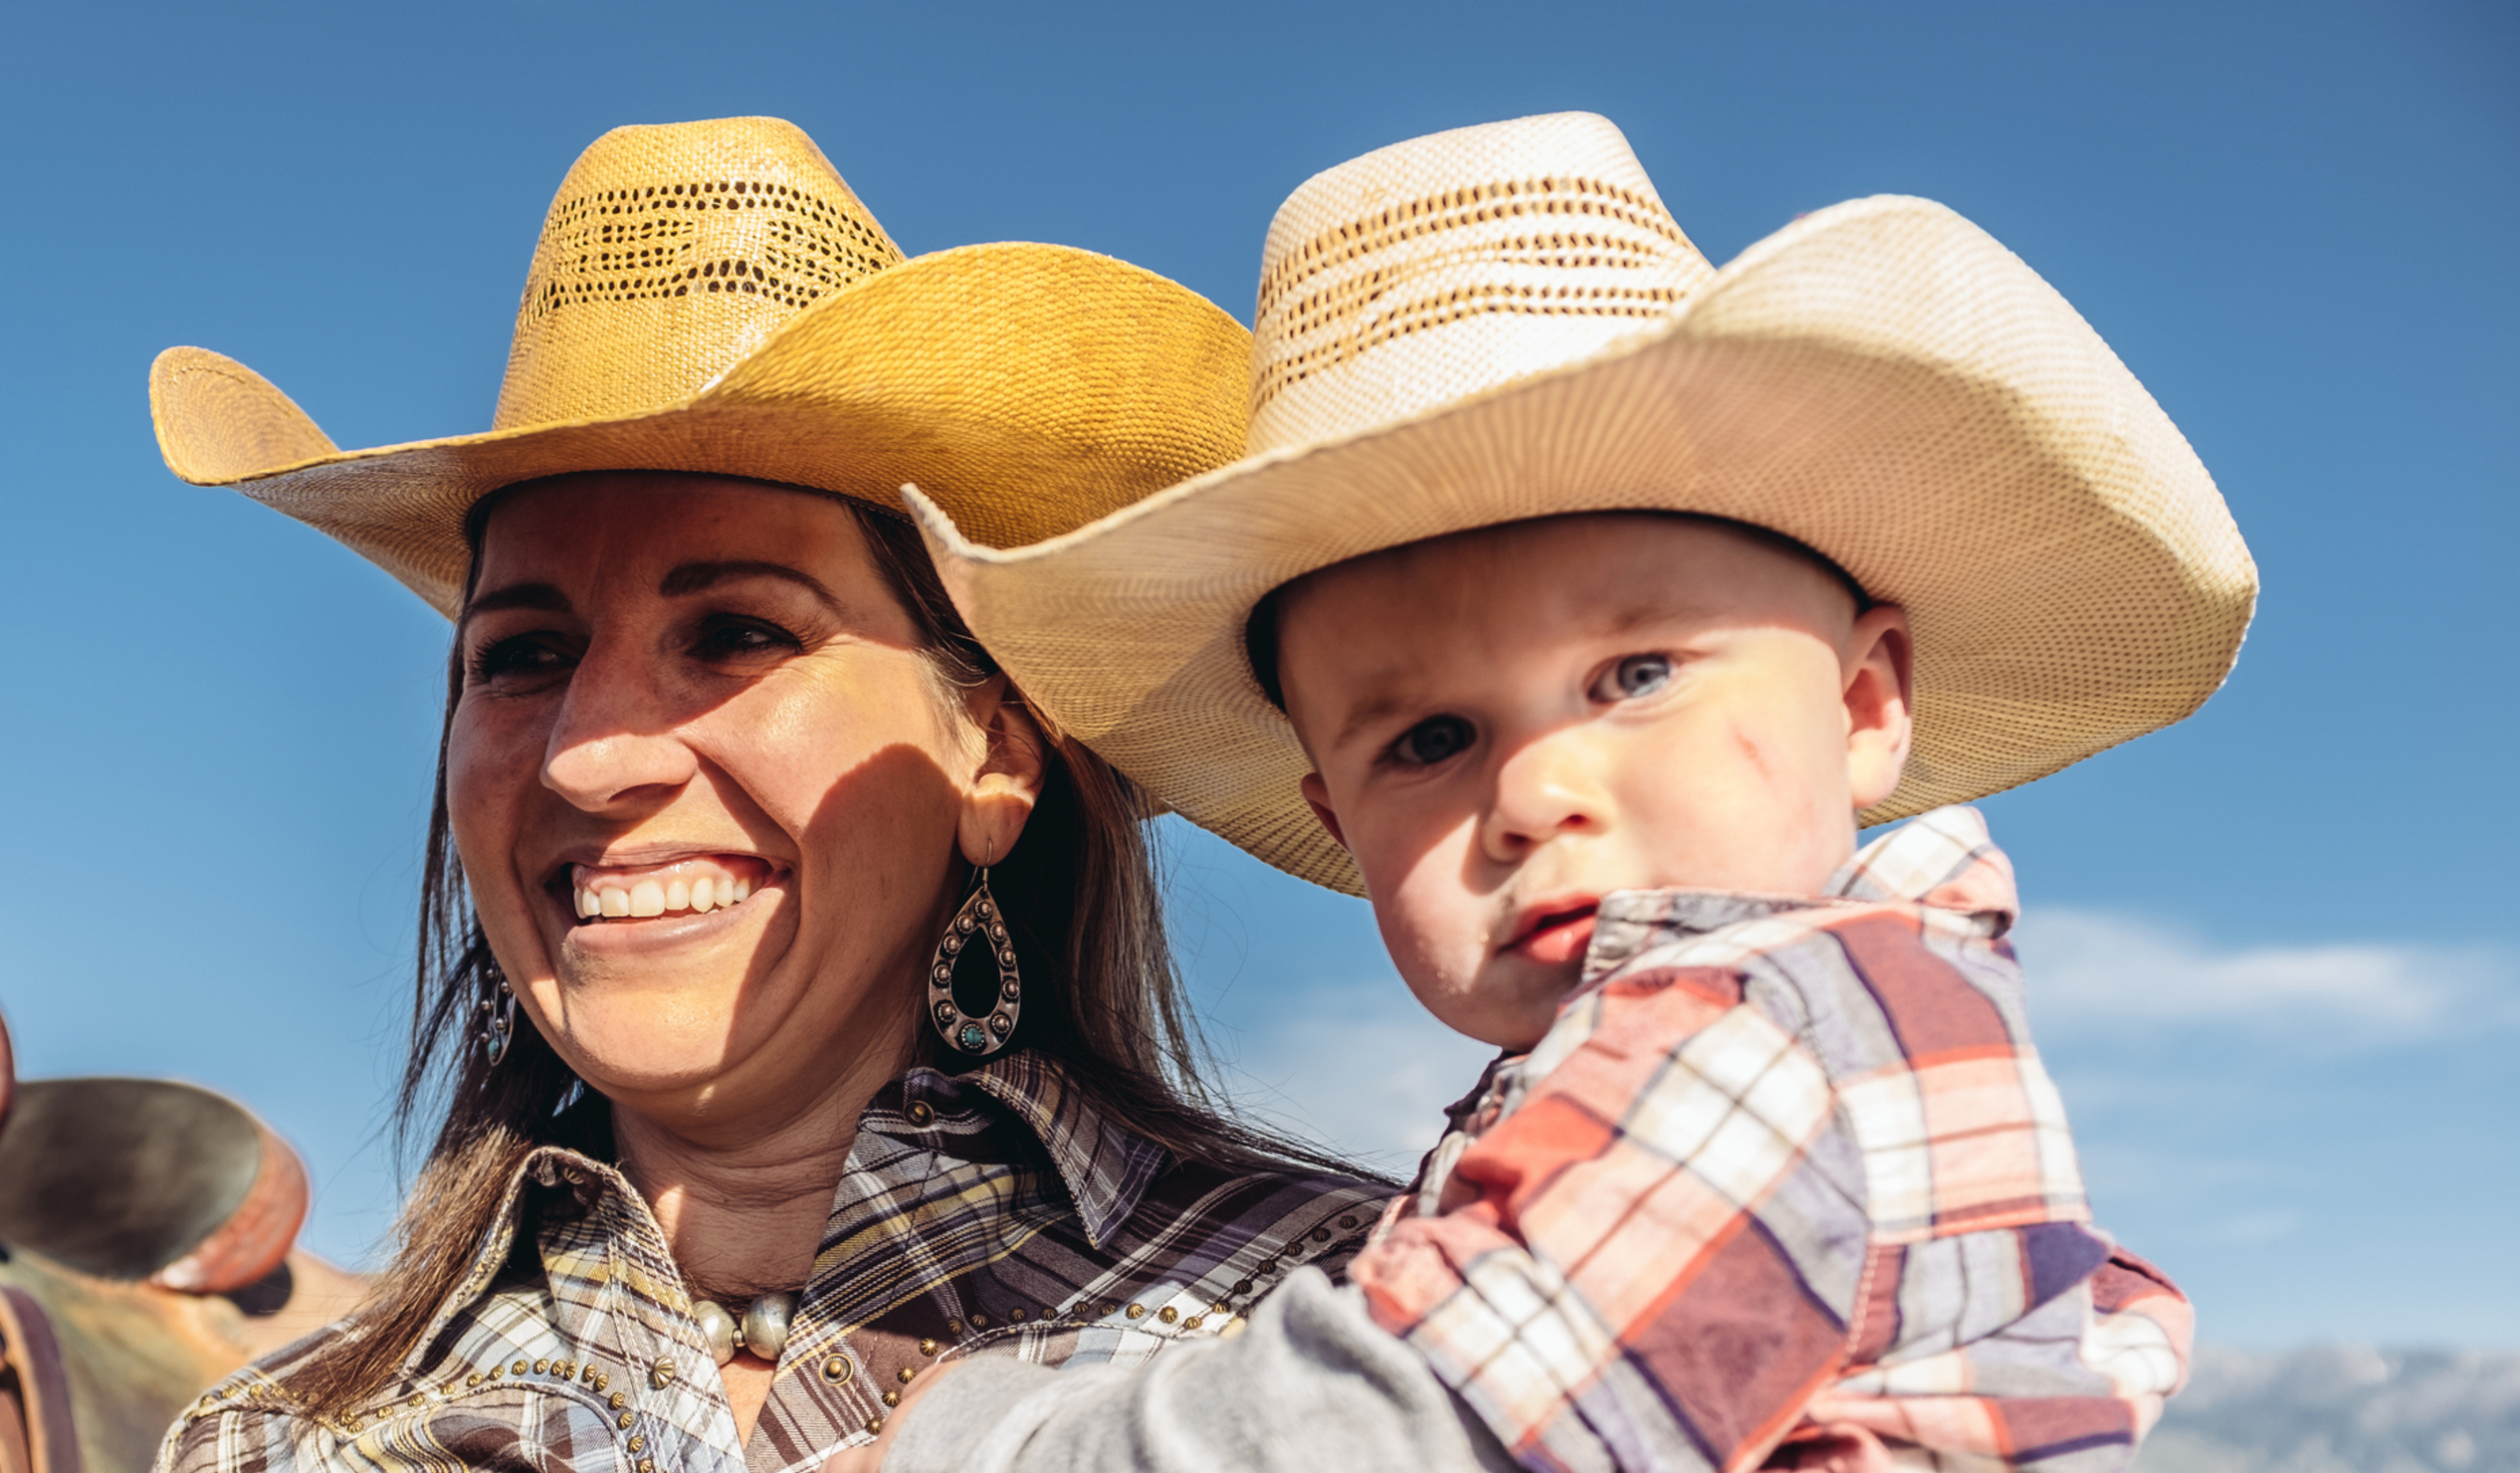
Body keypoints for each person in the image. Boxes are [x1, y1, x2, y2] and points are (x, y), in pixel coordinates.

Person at [880, 113, 2235, 1472]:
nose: (1532, 795)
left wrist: (956, 1445)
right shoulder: (1704, 1062)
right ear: (1342, 818)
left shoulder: (1779, 1040)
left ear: (1865, 701)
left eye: (1635, 675)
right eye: (1427, 741)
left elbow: (1401, 1429)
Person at [142, 116, 1389, 1473]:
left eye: (739, 633)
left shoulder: (1357, 1324)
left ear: (997, 756)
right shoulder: (288, 1444)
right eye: (524, 656)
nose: (588, 756)